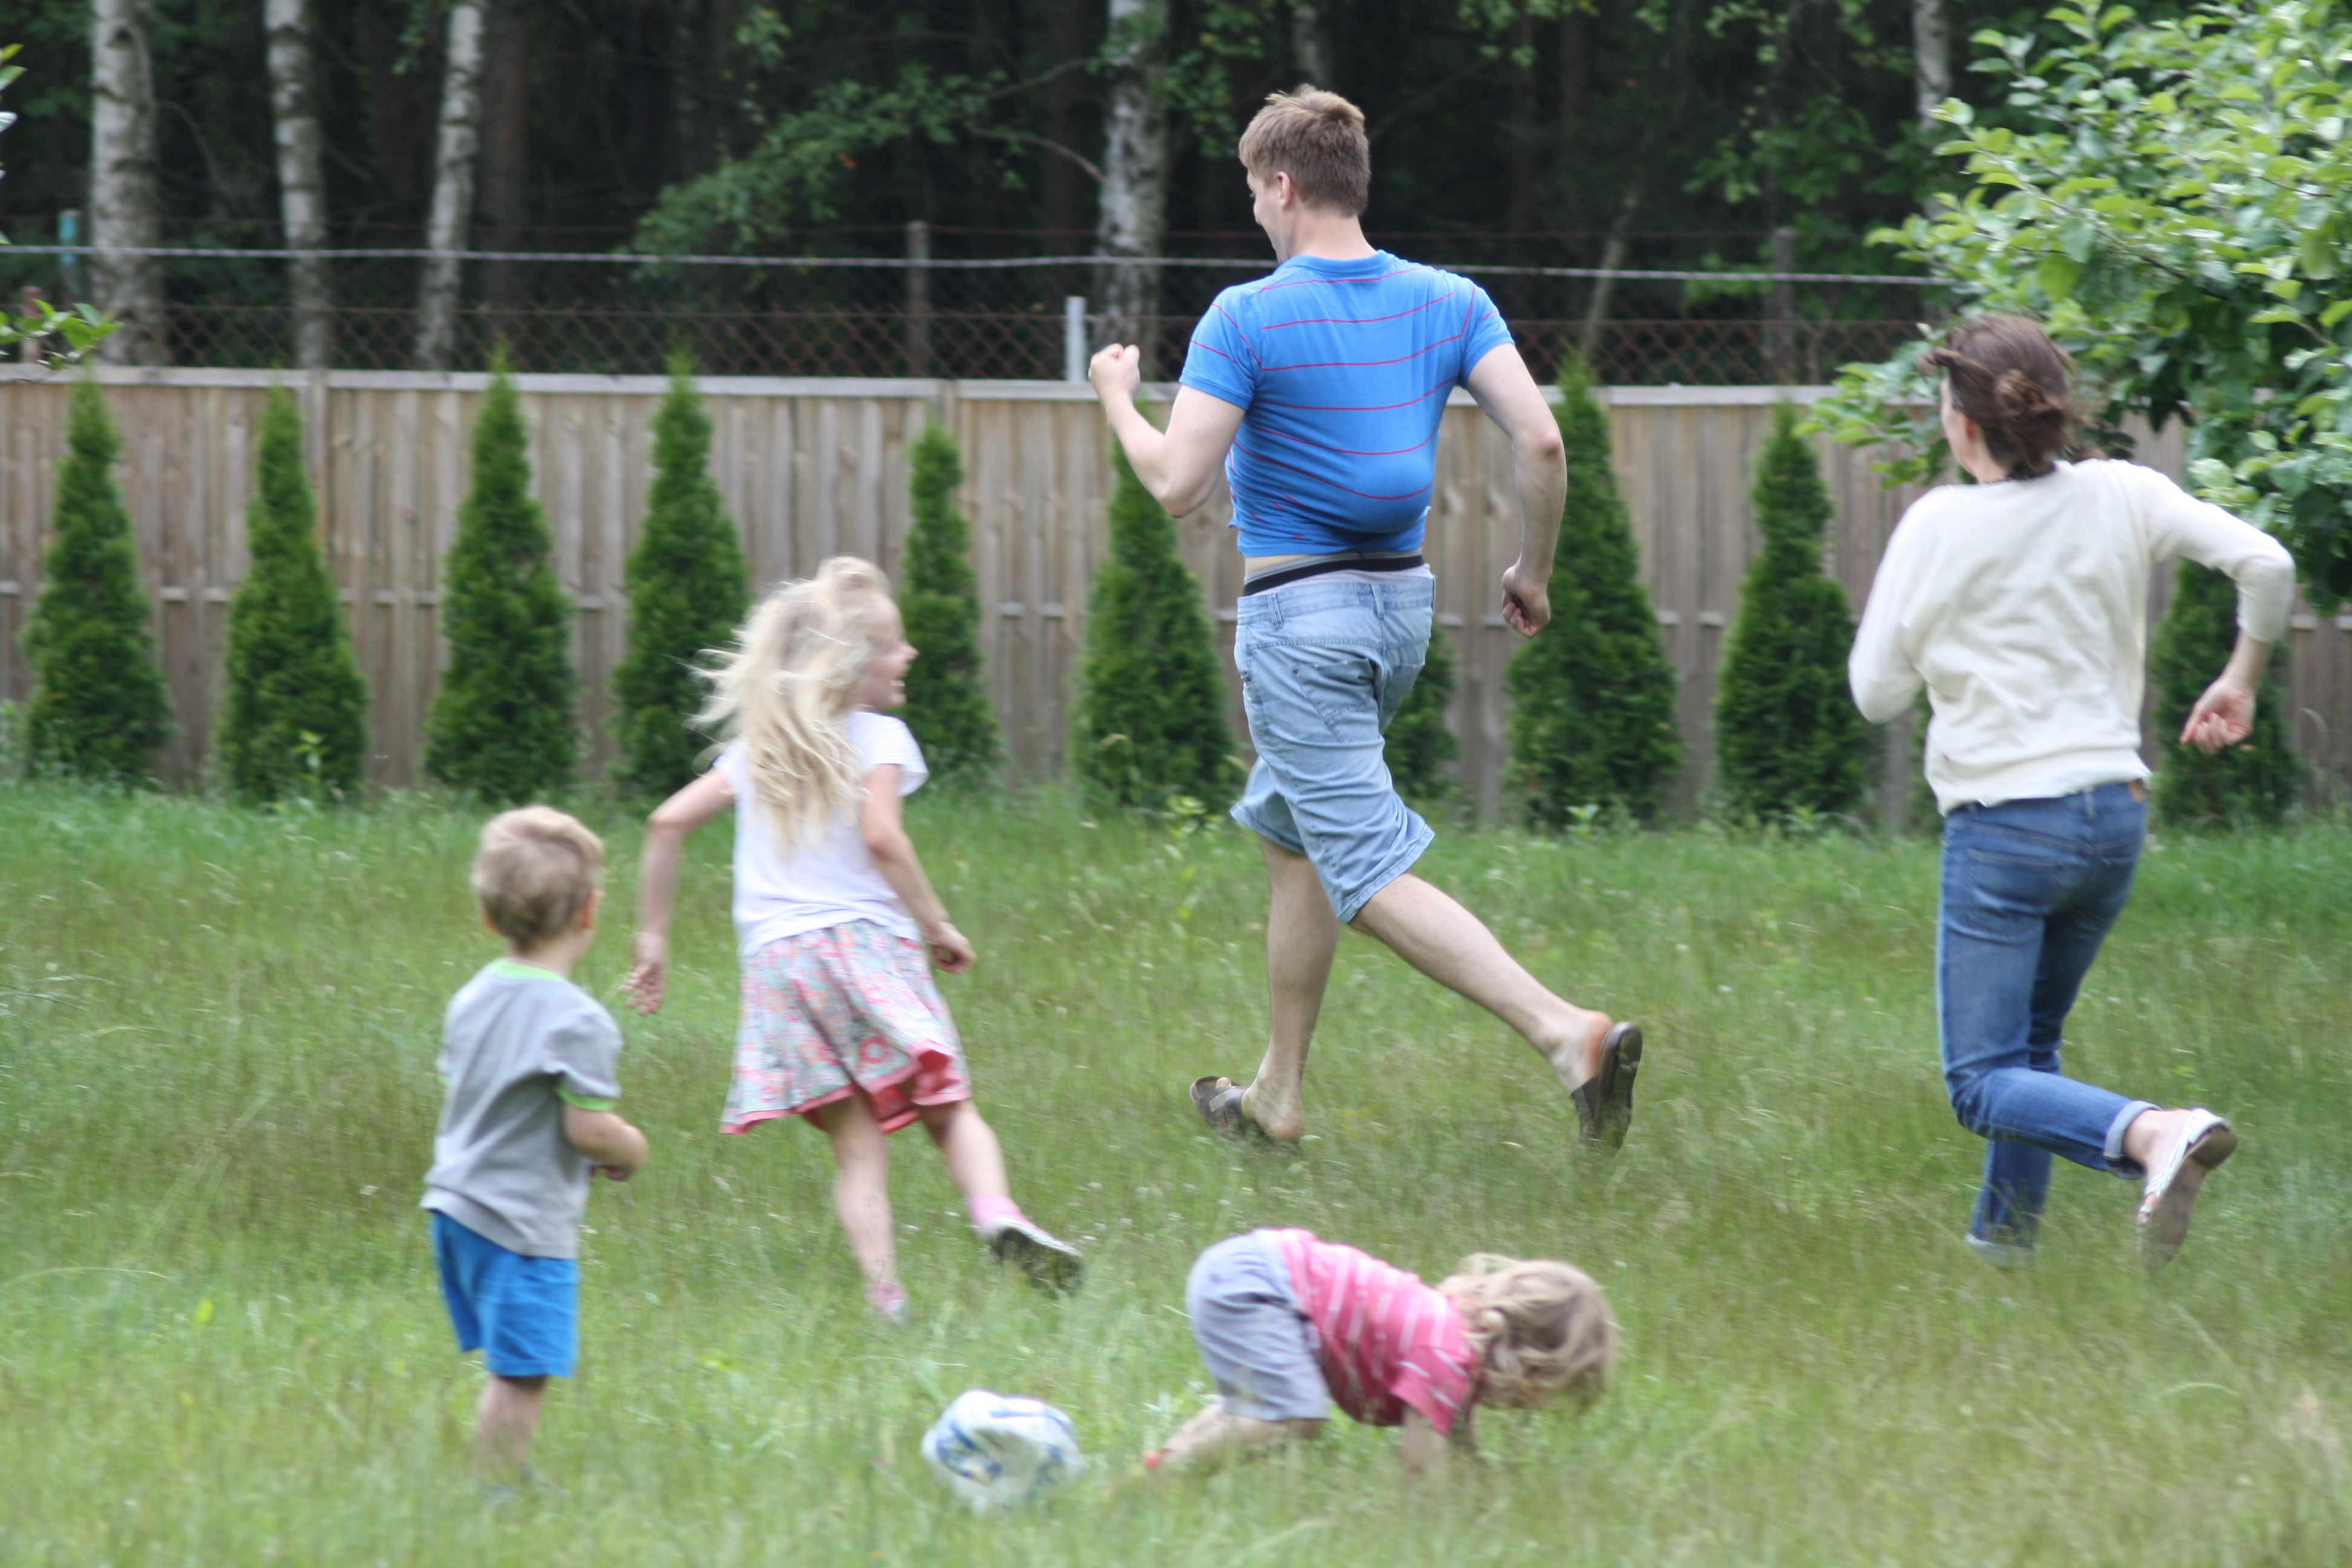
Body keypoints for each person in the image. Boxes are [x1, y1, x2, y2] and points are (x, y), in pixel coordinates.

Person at [1086, 86, 1644, 1155]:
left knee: (1362, 866)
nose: (1254, 211)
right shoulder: (1450, 300)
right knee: (1292, 836)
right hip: (1397, 614)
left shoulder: (1246, 316)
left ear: (1284, 186)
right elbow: (1541, 443)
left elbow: (1175, 484)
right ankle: (1275, 1098)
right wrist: (1531, 571)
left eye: (1254, 192)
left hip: (1301, 626)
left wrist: (1116, 394)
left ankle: (1563, 1034)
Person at [1849, 313, 2296, 1268]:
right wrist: (2241, 681)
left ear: (1964, 422)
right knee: (2030, 1048)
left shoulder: (1938, 523)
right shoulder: (2122, 491)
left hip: (2006, 832)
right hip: (2114, 820)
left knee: (1980, 1082)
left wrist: (1945, 645)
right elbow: (2268, 564)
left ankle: (2155, 1134)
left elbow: (1876, 695)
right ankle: (2002, 1249)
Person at [624, 557, 1081, 1321]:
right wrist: (937, 924)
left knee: (857, 1148)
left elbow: (665, 822)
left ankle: (885, 1293)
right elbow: (882, 837)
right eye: (893, 645)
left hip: (779, 968)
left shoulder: (763, 748)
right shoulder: (880, 736)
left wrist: (654, 939)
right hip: (863, 949)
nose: (909, 655)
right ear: (849, 663)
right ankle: (997, 1214)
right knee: (948, 1108)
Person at [423, 806, 650, 1488]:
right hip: (519, 1223)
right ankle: (496, 1486)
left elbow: (471, 1092)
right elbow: (589, 1131)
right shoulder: (579, 1020)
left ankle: (505, 1478)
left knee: (512, 1361)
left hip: (454, 1206)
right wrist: (630, 1148)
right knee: (522, 1372)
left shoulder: (471, 998)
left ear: (488, 917)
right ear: (590, 911)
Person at [1142, 1229, 1615, 1475]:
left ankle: (1162, 1468)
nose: (1523, 1407)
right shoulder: (1447, 1357)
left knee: (1265, 1407)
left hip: (1252, 1267)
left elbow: (1455, 1440)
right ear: (1529, 1364)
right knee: (1294, 1416)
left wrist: (1481, 1484)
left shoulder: (1450, 1339)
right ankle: (1174, 1473)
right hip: (1261, 1285)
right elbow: (1422, 1465)